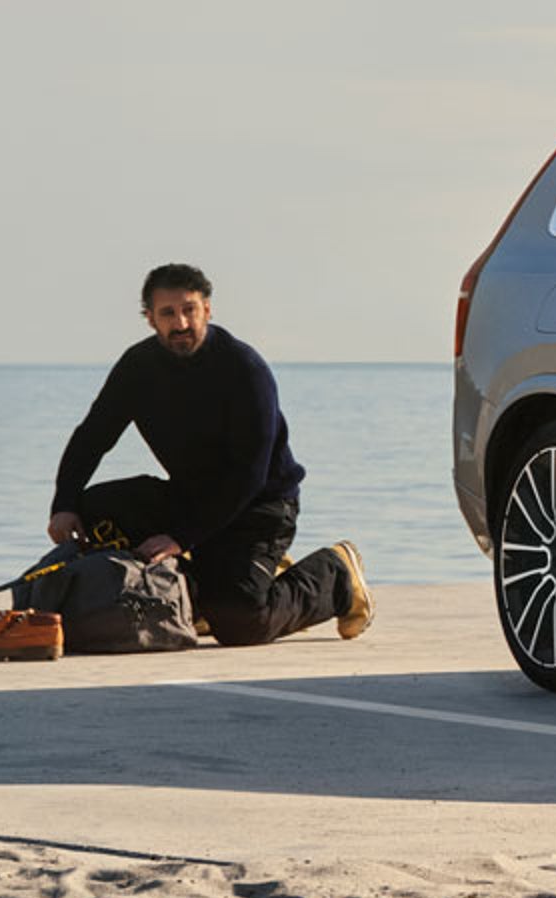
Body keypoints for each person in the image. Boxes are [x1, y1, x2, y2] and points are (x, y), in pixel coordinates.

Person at [51, 265, 371, 645]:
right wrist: (64, 503)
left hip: (260, 507)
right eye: (168, 313)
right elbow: (92, 437)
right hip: (190, 497)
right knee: (92, 513)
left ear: (208, 310)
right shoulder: (137, 367)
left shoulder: (243, 369)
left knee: (240, 623)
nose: (181, 322)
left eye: (190, 309)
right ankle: (195, 593)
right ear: (150, 318)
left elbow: (248, 475)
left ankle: (336, 574)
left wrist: (181, 538)